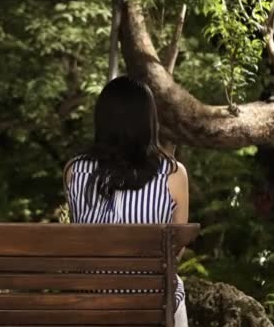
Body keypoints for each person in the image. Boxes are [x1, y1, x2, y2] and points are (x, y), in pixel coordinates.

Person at [63, 76, 189, 326]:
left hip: (91, 301)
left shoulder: (74, 171)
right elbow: (176, 250)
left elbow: (80, 235)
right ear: (149, 121)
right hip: (152, 302)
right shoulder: (173, 174)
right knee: (173, 287)